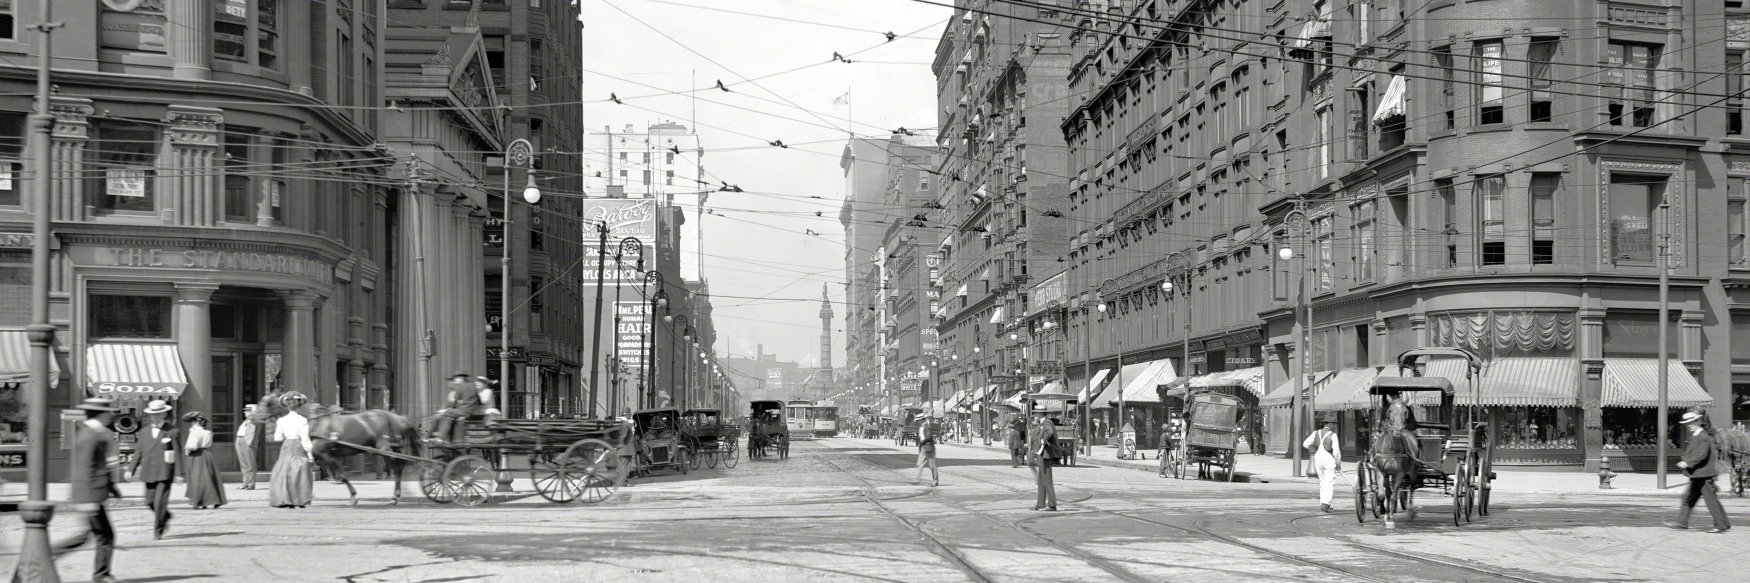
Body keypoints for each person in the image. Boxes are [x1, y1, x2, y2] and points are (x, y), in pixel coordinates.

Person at [54, 398, 124, 583]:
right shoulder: (91, 435)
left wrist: (112, 487)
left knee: (95, 535)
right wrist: (89, 500)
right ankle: (101, 575)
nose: (111, 415)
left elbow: (100, 465)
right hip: (90, 495)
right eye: (108, 412)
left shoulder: (93, 433)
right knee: (104, 535)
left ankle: (100, 573)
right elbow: (85, 468)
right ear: (100, 414)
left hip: (91, 493)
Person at [1667, 410, 1731, 533]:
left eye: (1691, 422)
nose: (1688, 425)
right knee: (1689, 498)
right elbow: (1697, 453)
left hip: (1704, 474)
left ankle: (1720, 525)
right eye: (1687, 423)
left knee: (1710, 501)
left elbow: (1701, 454)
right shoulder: (1697, 436)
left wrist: (1687, 463)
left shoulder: (1702, 436)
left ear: (1698, 421)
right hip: (1698, 474)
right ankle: (1682, 522)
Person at [127, 399, 177, 539]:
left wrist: (179, 474)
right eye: (152, 415)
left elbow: (177, 453)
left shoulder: (172, 431)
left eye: (157, 414)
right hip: (148, 471)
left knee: (159, 502)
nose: (154, 418)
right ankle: (165, 516)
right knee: (149, 501)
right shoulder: (144, 432)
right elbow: (138, 452)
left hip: (165, 472)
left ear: (163, 415)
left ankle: (158, 531)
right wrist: (130, 469)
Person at [270, 391, 315, 508]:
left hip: (287, 445)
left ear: (286, 406)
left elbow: (277, 438)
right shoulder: (303, 420)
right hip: (298, 444)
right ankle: (300, 500)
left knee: (285, 470)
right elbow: (305, 439)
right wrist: (310, 455)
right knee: (300, 470)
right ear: (299, 406)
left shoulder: (281, 421)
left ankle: (286, 499)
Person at [424, 371, 493, 443]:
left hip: (465, 411)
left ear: (461, 379)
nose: (454, 380)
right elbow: (479, 401)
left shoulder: (460, 387)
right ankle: (440, 436)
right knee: (449, 414)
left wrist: (446, 410)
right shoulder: (473, 386)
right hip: (472, 411)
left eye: (456, 378)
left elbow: (454, 403)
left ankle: (440, 436)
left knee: (448, 412)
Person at [181, 412, 227, 509]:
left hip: (196, 455)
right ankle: (213, 500)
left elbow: (192, 446)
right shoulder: (208, 432)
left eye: (193, 422)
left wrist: (187, 451)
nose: (192, 424)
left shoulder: (194, 432)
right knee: (209, 478)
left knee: (197, 479)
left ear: (196, 422)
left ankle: (198, 501)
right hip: (206, 455)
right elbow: (209, 443)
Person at [1303, 415, 1343, 513]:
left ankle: (1323, 503)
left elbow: (1305, 443)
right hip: (1328, 458)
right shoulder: (1333, 435)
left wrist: (1314, 449)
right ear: (1330, 424)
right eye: (1334, 424)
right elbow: (1336, 452)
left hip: (1318, 458)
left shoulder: (1315, 433)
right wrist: (1338, 463)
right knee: (1330, 482)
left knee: (1322, 481)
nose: (1335, 427)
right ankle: (1326, 504)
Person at [1029, 404, 1061, 511]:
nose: (1034, 415)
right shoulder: (1042, 423)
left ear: (1041, 413)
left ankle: (1052, 504)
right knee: (1041, 480)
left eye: (1036, 413)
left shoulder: (1046, 422)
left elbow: (1050, 432)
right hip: (1041, 454)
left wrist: (1043, 441)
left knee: (1046, 480)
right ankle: (1040, 504)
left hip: (1045, 455)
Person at [236, 404, 260, 490]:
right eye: (245, 410)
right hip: (240, 440)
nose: (245, 412)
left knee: (250, 464)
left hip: (248, 442)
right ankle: (245, 483)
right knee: (243, 464)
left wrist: (254, 413)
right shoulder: (246, 421)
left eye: (248, 410)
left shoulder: (255, 420)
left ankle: (251, 483)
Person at [915, 415, 939, 486]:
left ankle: (935, 481)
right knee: (919, 463)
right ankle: (917, 479)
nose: (917, 422)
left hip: (928, 447)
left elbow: (928, 437)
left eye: (918, 420)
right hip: (923, 447)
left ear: (921, 420)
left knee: (932, 465)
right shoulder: (922, 427)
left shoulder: (926, 427)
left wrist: (922, 442)